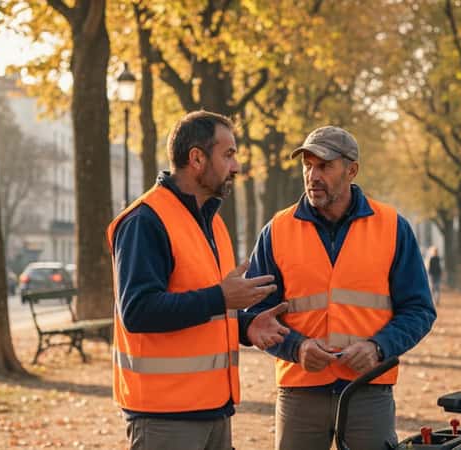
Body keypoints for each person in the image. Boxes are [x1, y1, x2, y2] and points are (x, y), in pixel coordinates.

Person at [242, 126, 437, 450]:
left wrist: (378, 347)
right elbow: (257, 314)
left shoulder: (392, 227)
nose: (312, 175)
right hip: (299, 391)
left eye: (324, 165)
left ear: (352, 170)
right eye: (308, 165)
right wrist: (297, 348)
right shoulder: (277, 230)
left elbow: (419, 309)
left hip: (367, 390)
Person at [106, 111, 290, 450]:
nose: (235, 167)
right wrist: (222, 298)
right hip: (164, 417)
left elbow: (202, 304)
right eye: (228, 154)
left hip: (213, 410)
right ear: (196, 158)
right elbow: (139, 311)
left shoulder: (212, 222)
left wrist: (245, 326)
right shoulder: (145, 221)